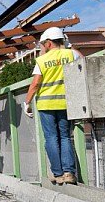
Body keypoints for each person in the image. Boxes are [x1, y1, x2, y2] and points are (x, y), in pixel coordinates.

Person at [24, 27, 81, 185]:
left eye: (43, 44)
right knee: (65, 137)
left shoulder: (41, 61)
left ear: (49, 43)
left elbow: (35, 83)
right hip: (65, 102)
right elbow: (83, 62)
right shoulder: (71, 54)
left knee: (51, 138)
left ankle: (58, 174)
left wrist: (27, 102)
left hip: (46, 104)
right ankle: (69, 172)